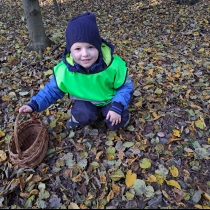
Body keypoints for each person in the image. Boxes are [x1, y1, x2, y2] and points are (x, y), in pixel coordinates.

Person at [19, 12, 134, 130]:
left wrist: (118, 106)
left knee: (117, 121)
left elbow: (125, 86)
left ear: (98, 47)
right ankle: (78, 118)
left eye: (90, 47)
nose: (85, 54)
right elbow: (51, 91)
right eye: (78, 49)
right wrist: (33, 105)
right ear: (70, 52)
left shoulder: (113, 66)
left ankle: (118, 112)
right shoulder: (65, 72)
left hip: (109, 99)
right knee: (83, 113)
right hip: (85, 101)